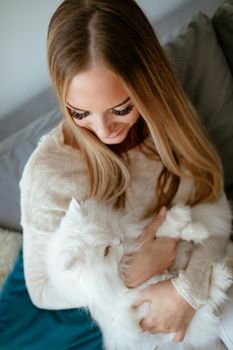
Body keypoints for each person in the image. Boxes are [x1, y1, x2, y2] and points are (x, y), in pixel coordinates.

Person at [0, 0, 232, 349]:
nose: (104, 130)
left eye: (121, 108)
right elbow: (42, 289)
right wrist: (126, 275)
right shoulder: (48, 175)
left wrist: (188, 291)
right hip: (142, 328)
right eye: (80, 113)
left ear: (147, 82)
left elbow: (213, 202)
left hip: (210, 280)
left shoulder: (167, 119)